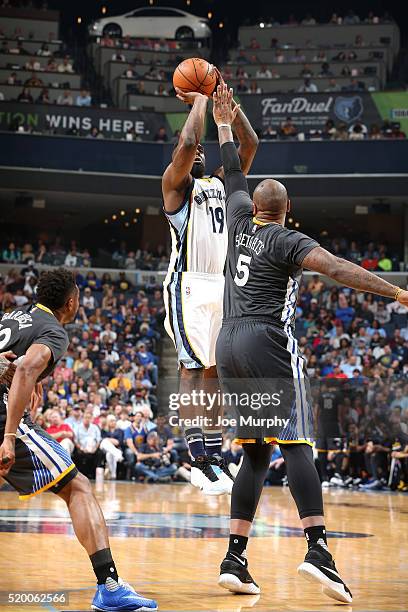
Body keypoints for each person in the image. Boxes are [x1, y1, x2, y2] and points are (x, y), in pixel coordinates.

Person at [211, 82, 408, 604]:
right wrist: (397, 292)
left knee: (253, 454)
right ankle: (318, 550)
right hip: (266, 341)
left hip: (226, 344)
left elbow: (232, 170)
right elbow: (340, 269)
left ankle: (235, 556)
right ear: (288, 207)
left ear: (253, 206)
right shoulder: (289, 240)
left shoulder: (235, 220)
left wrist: (224, 124)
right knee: (299, 442)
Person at [0, 268, 158, 611]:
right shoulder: (52, 330)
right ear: (71, 303)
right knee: (79, 487)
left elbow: (16, 364)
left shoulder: (14, 317)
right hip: (5, 419)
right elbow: (25, 368)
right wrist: (10, 434)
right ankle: (110, 586)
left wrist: (13, 370)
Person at [161, 70, 258, 495]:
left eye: (204, 147)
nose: (198, 149)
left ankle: (214, 455)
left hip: (222, 288)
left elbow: (250, 145)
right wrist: (199, 97)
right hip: (187, 286)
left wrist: (228, 110)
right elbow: (185, 142)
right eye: (193, 149)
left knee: (215, 371)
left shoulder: (221, 182)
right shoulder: (175, 189)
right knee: (191, 367)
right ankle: (195, 456)